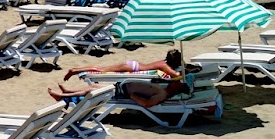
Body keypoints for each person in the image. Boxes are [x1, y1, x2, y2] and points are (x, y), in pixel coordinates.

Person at [52, 49, 188, 107]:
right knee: (101, 71)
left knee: (102, 69)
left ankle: (71, 83)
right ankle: (75, 70)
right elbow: (176, 76)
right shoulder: (164, 65)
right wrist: (186, 69)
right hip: (132, 69)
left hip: (134, 65)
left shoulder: (162, 62)